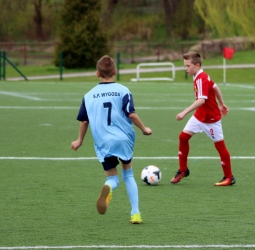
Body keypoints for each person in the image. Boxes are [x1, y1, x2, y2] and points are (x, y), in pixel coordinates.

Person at [71, 55, 152, 224]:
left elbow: (84, 121)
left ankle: (109, 187)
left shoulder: (89, 95)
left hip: (103, 142)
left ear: (97, 74)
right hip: (124, 139)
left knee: (112, 178)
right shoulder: (123, 90)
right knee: (128, 175)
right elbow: (131, 114)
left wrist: (79, 140)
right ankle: (135, 213)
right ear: (115, 71)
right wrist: (144, 129)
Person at [171, 51, 235, 186]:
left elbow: (201, 100)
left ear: (197, 65)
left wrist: (184, 112)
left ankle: (229, 177)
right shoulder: (199, 75)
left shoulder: (201, 78)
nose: (186, 69)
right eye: (185, 66)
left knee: (220, 145)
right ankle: (183, 170)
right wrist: (222, 104)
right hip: (200, 116)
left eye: (188, 66)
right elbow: (215, 87)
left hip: (211, 119)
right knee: (183, 137)